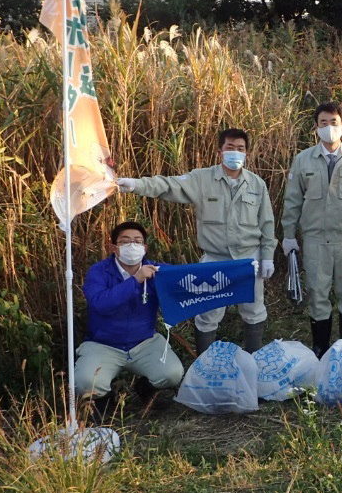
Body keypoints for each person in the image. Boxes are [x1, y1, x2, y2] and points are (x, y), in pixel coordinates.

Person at [117, 128, 277, 356]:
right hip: (214, 259)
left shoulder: (256, 184)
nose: (235, 153)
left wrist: (268, 256)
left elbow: (267, 224)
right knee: (208, 314)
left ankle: (253, 361)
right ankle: (204, 365)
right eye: (230, 148)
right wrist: (136, 185)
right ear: (220, 150)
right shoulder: (202, 179)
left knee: (254, 310)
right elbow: (169, 185)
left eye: (240, 149)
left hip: (247, 260)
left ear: (246, 153)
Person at [281, 102, 342, 353]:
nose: (329, 127)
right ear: (316, 128)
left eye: (334, 122)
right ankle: (320, 351)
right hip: (315, 241)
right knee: (318, 295)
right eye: (323, 123)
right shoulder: (303, 160)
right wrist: (288, 236)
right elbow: (292, 201)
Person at [75, 221, 185, 418]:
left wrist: (240, 270)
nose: (132, 246)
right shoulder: (99, 272)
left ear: (144, 248)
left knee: (173, 374)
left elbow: (186, 280)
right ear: (114, 248)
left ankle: (145, 388)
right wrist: (136, 280)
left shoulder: (156, 270)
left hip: (144, 342)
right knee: (85, 382)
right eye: (125, 242)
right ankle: (105, 398)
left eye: (137, 241)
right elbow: (100, 303)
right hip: (103, 344)